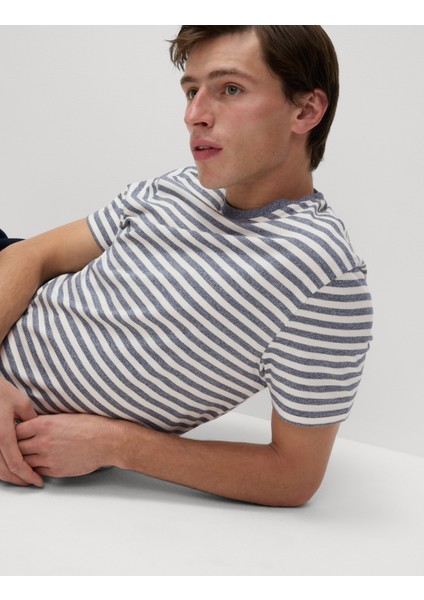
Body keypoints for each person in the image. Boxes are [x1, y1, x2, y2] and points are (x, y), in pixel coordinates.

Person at [0, 25, 373, 506]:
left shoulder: (322, 274)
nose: (194, 115)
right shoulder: (178, 186)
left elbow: (295, 475)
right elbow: (31, 254)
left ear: (306, 110)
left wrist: (117, 445)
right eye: (192, 90)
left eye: (230, 89)